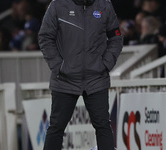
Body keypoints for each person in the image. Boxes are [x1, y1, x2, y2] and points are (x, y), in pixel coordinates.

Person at [38, 0, 123, 149]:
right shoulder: (58, 5)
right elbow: (45, 37)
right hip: (64, 79)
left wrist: (105, 64)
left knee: (103, 126)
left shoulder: (104, 5)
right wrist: (59, 66)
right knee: (56, 127)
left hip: (96, 78)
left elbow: (116, 38)